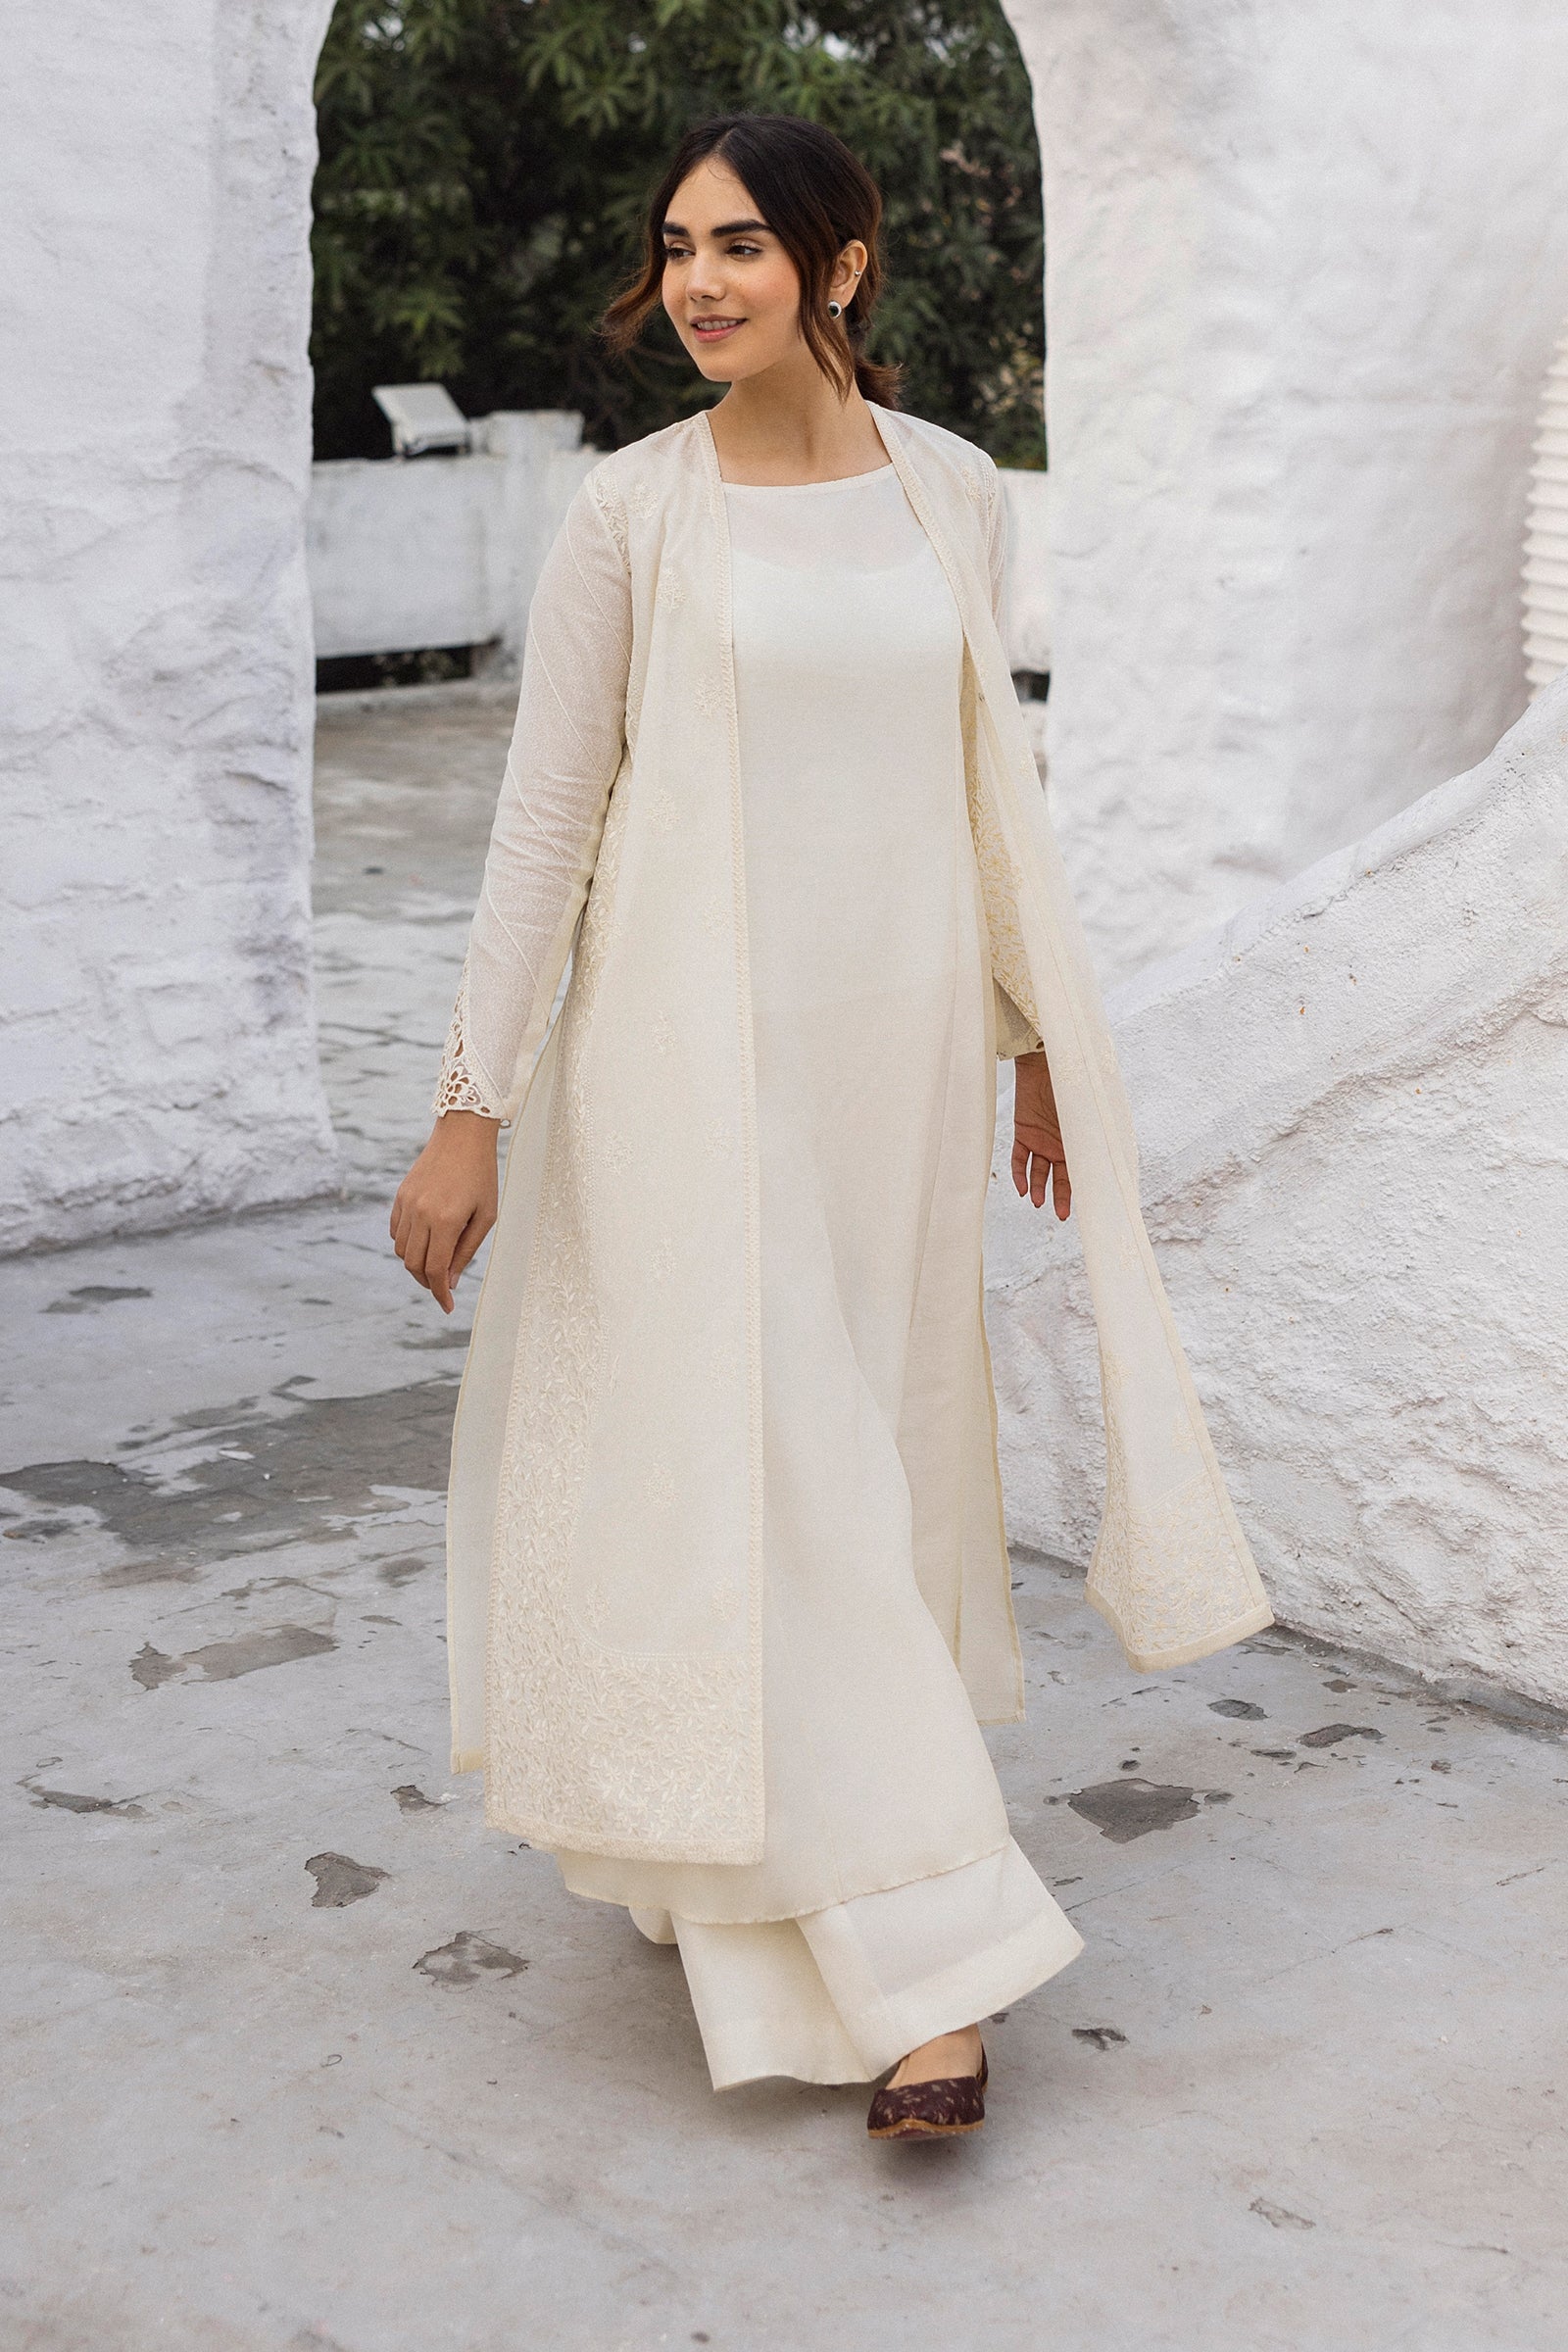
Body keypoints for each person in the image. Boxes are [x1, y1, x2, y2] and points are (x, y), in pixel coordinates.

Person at [391, 112, 1271, 2141]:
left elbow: (987, 781)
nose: (698, 282)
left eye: (741, 246)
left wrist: (1033, 1038)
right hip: (678, 1068)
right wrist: (470, 1108)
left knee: (854, 1470)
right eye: (676, 246)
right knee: (766, 1458)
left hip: (898, 1066)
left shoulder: (950, 488)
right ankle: (930, 1972)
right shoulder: (632, 512)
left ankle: (725, 1830)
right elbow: (545, 818)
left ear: (841, 264)